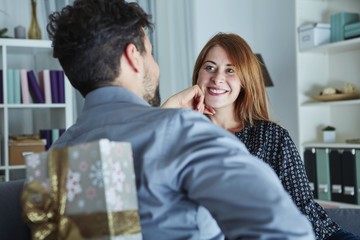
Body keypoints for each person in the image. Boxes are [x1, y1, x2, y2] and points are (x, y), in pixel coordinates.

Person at [47, 0, 315, 239]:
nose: (155, 66)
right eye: (150, 52)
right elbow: (288, 231)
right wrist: (168, 120)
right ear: (133, 57)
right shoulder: (182, 132)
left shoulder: (59, 154)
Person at [191, 32, 360, 240]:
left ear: (245, 80)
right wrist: (174, 105)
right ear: (198, 73)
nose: (217, 78)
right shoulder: (185, 136)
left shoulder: (271, 136)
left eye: (230, 70)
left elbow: (303, 208)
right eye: (209, 67)